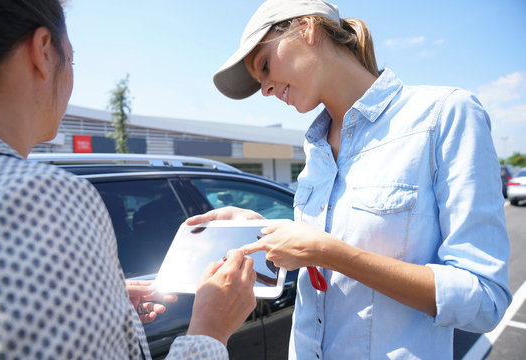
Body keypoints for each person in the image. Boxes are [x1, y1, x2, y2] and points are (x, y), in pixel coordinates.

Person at [187, 0, 512, 358]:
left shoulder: (444, 115)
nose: (265, 89)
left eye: (264, 66)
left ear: (307, 28)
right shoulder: (316, 147)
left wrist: (329, 253)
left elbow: (484, 298)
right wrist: (261, 229)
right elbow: (323, 240)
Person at [0, 1, 255, 359]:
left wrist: (100, 301)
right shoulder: (41, 196)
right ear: (43, 52)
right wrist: (211, 329)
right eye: (73, 57)